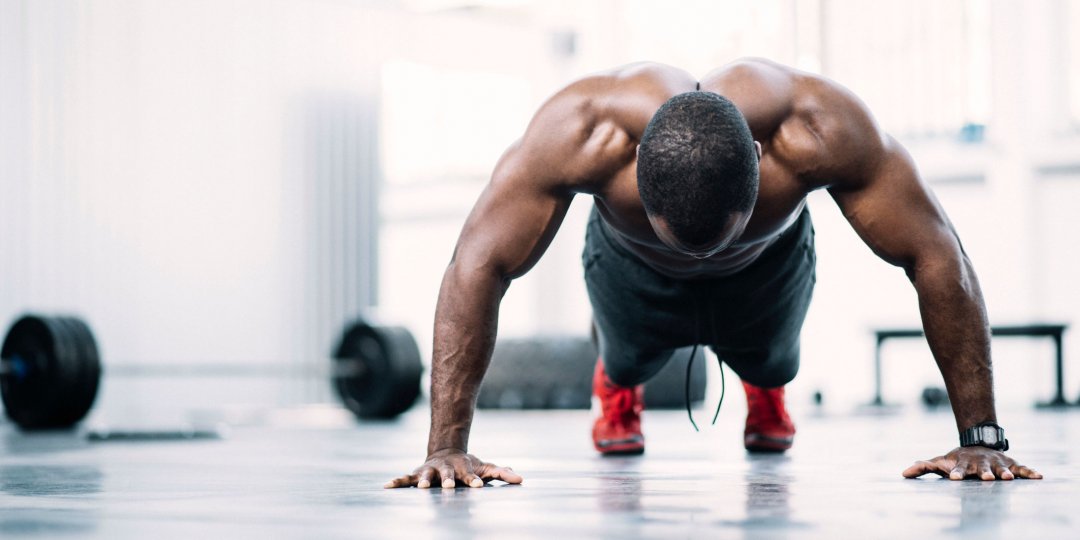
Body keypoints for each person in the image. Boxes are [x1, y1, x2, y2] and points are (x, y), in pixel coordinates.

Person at [384, 58, 1042, 489]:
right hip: (631, 269)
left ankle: (765, 389)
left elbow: (935, 252)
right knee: (629, 356)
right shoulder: (581, 131)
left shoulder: (819, 127)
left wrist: (980, 437)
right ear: (634, 165)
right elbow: (477, 262)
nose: (699, 257)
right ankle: (618, 385)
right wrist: (446, 447)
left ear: (760, 160)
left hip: (767, 268)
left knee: (772, 360)